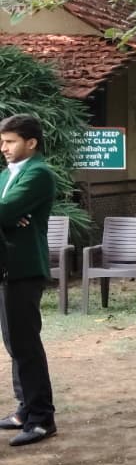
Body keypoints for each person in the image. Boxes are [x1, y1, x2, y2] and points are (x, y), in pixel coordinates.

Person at [0, 114, 58, 446]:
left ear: (31, 143)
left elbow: (4, 212)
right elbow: (5, 212)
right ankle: (25, 409)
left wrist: (8, 215)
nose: (3, 147)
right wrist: (8, 215)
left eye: (10, 141)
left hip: (24, 268)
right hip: (6, 267)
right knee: (14, 343)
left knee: (26, 345)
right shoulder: (6, 175)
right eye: (2, 141)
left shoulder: (39, 174)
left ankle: (41, 418)